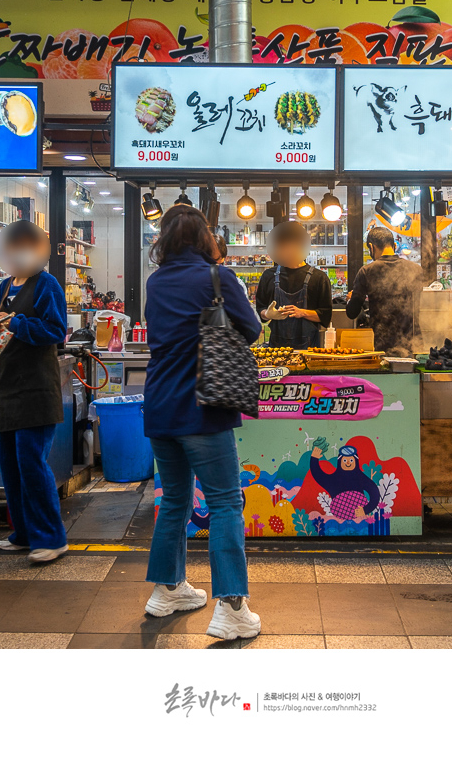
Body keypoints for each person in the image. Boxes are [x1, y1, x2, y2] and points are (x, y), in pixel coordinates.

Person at [142, 204, 263, 640]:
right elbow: (252, 331)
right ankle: (231, 607)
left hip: (159, 406)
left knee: (174, 501)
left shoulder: (155, 282)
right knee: (227, 503)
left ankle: (167, 589)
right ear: (204, 237)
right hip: (204, 405)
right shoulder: (218, 278)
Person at [0, 221, 69, 564]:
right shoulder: (4, 286)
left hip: (36, 387)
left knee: (31, 463)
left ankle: (51, 537)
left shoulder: (47, 284)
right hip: (7, 384)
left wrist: (15, 322)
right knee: (11, 465)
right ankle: (23, 533)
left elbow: (56, 330)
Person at [345, 226, 424, 354]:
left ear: (371, 247)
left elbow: (352, 312)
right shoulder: (415, 269)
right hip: (414, 344)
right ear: (393, 245)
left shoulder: (366, 271)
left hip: (384, 345)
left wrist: (350, 299)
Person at [254, 221, 332, 349]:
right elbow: (260, 309)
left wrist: (302, 312)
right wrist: (268, 314)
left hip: (309, 349)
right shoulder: (269, 276)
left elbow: (325, 316)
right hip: (277, 348)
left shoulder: (319, 278)